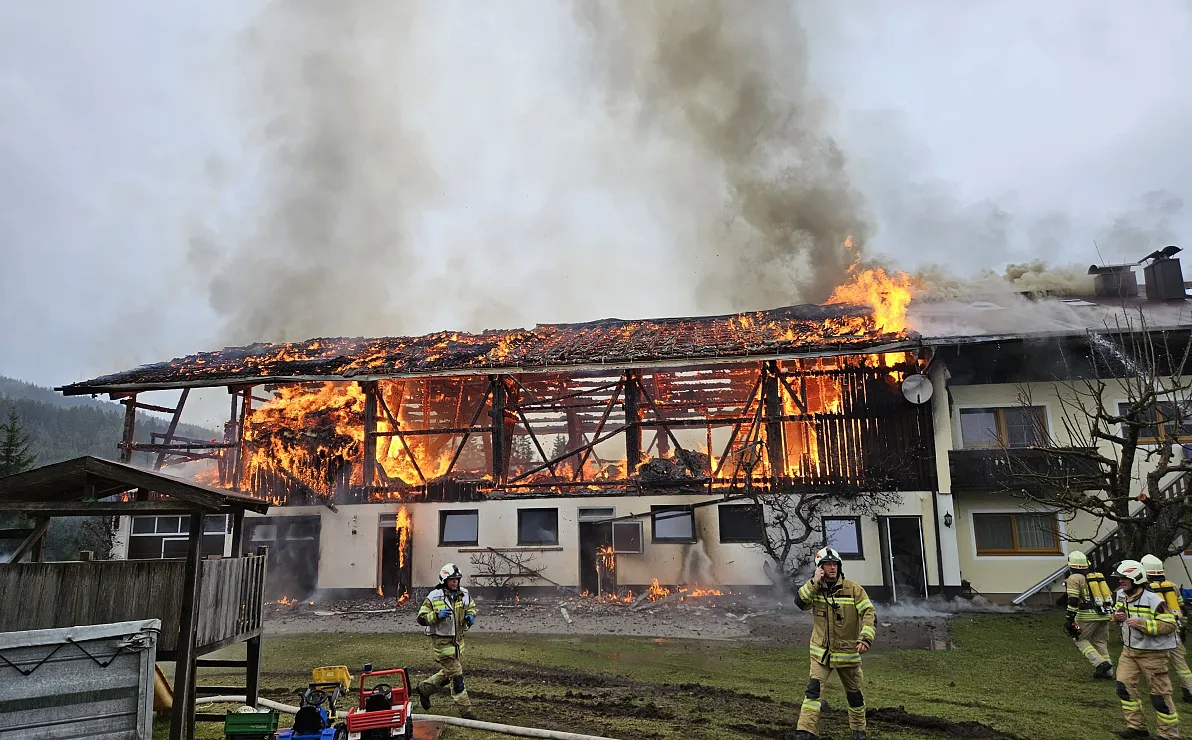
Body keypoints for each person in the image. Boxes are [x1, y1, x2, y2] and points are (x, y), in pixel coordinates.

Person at [793, 547, 876, 740]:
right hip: (821, 654)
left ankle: (858, 732)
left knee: (854, 695)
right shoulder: (815, 588)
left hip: (848, 655)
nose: (832, 568)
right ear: (820, 568)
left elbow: (869, 613)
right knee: (813, 693)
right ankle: (805, 732)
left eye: (835, 564)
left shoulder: (853, 589)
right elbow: (800, 602)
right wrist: (814, 581)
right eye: (827, 564)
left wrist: (865, 638)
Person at [1112, 559, 1181, 739]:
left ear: (1136, 578)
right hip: (1129, 652)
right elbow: (1118, 612)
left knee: (1160, 697)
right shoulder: (1121, 595)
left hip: (1153, 655)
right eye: (1119, 578)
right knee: (1123, 687)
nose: (1120, 581)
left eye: (1124, 578)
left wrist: (1142, 624)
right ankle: (1136, 728)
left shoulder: (1153, 599)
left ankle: (1168, 735)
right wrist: (1116, 617)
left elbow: (1169, 624)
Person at [415, 563, 479, 720]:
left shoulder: (464, 594)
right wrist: (436, 615)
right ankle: (466, 712)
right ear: (444, 580)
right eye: (452, 580)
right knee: (457, 679)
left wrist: (471, 615)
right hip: (442, 646)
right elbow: (421, 618)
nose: (455, 582)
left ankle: (424, 689)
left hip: (458, 644)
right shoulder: (434, 597)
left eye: (457, 579)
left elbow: (471, 607)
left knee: (448, 674)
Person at [1142, 554, 1192, 702]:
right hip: (1174, 629)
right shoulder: (1173, 586)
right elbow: (1182, 608)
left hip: (1155, 631)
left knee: (1157, 664)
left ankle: (1161, 693)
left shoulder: (1145, 589)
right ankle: (1189, 690)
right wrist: (1181, 628)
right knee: (1181, 664)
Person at [1064, 551, 1115, 679]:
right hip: (1104, 615)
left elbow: (1073, 600)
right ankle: (1109, 672)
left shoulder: (1074, 578)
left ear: (1071, 566)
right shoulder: (1096, 577)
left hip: (1086, 616)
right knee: (1100, 642)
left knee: (1080, 640)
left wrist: (1069, 618)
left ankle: (1100, 664)